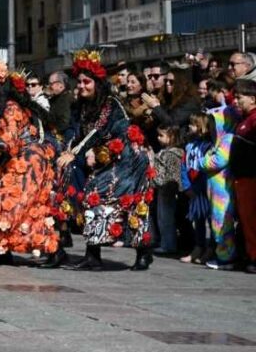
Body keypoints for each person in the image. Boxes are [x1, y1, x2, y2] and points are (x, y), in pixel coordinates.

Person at [56, 51, 155, 271]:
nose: (81, 86)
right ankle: (93, 254)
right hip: (104, 158)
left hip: (128, 159)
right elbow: (75, 131)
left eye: (87, 82)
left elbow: (102, 132)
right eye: (79, 82)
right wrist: (69, 150)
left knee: (131, 203)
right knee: (91, 196)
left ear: (97, 83)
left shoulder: (110, 105)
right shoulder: (80, 106)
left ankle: (143, 252)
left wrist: (82, 152)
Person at [0, 62, 61, 267]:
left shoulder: (10, 109)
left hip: (30, 161)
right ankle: (3, 250)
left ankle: (54, 249)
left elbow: (9, 143)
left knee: (21, 206)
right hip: (15, 160)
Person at [199, 99, 237, 270]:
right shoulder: (218, 141)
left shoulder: (227, 139)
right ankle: (222, 254)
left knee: (222, 222)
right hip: (214, 189)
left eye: (215, 123)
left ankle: (226, 257)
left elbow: (219, 160)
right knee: (216, 221)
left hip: (223, 190)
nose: (212, 127)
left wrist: (202, 161)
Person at [180, 113, 215, 266]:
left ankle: (211, 248)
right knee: (198, 220)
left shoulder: (210, 147)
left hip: (204, 189)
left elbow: (206, 169)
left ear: (203, 128)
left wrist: (198, 187)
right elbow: (183, 167)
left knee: (211, 220)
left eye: (193, 124)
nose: (189, 127)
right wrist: (186, 185)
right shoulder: (189, 146)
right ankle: (198, 246)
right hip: (192, 190)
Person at [228, 79, 256, 274]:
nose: (235, 101)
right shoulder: (244, 119)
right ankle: (250, 254)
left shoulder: (254, 120)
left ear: (253, 99)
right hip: (242, 178)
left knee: (252, 219)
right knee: (246, 220)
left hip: (251, 177)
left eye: (239, 97)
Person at [153, 125, 184, 255]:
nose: (158, 138)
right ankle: (165, 243)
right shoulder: (164, 151)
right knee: (161, 217)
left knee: (167, 218)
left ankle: (169, 245)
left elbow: (173, 175)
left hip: (167, 189)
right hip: (161, 188)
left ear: (171, 137)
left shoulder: (172, 154)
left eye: (162, 135)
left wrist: (162, 183)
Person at [47, 71, 75, 146]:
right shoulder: (55, 98)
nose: (49, 86)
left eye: (51, 84)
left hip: (65, 137)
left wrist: (53, 130)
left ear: (61, 85)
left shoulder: (66, 99)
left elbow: (64, 122)